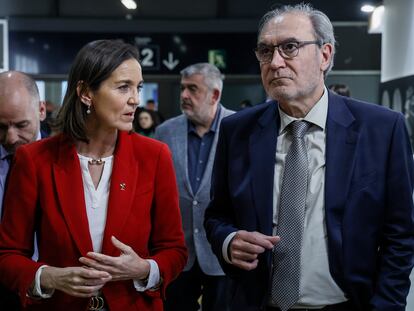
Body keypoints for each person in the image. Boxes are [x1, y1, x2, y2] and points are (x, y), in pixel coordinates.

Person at [204, 4, 414, 311]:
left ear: (325, 55)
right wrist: (228, 240)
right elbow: (216, 215)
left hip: (348, 302)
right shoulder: (238, 130)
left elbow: (401, 234)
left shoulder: (381, 129)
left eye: (289, 47)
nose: (275, 62)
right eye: (265, 51)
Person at [0, 39, 187, 311]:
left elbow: (175, 251)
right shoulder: (34, 159)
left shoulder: (155, 156)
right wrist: (48, 276)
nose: (135, 99)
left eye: (138, 87)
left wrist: (145, 269)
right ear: (86, 93)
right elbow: (8, 255)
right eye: (124, 87)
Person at [154, 63, 234, 311]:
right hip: (179, 253)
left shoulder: (240, 127)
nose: (184, 95)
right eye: (182, 89)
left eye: (193, 89)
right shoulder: (165, 131)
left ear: (215, 95)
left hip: (222, 253)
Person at [0, 71, 47, 310]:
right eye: (0, 126)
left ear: (41, 110)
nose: (10, 137)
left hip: (49, 290)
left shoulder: (65, 161)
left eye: (21, 125)